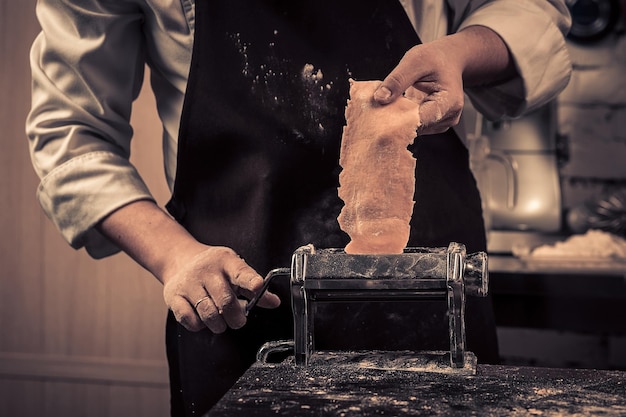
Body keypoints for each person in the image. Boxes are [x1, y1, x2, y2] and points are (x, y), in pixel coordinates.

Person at [27, 0, 572, 415]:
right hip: (245, 304)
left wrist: (459, 52)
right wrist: (174, 257)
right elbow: (71, 134)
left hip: (431, 292)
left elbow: (535, 10)